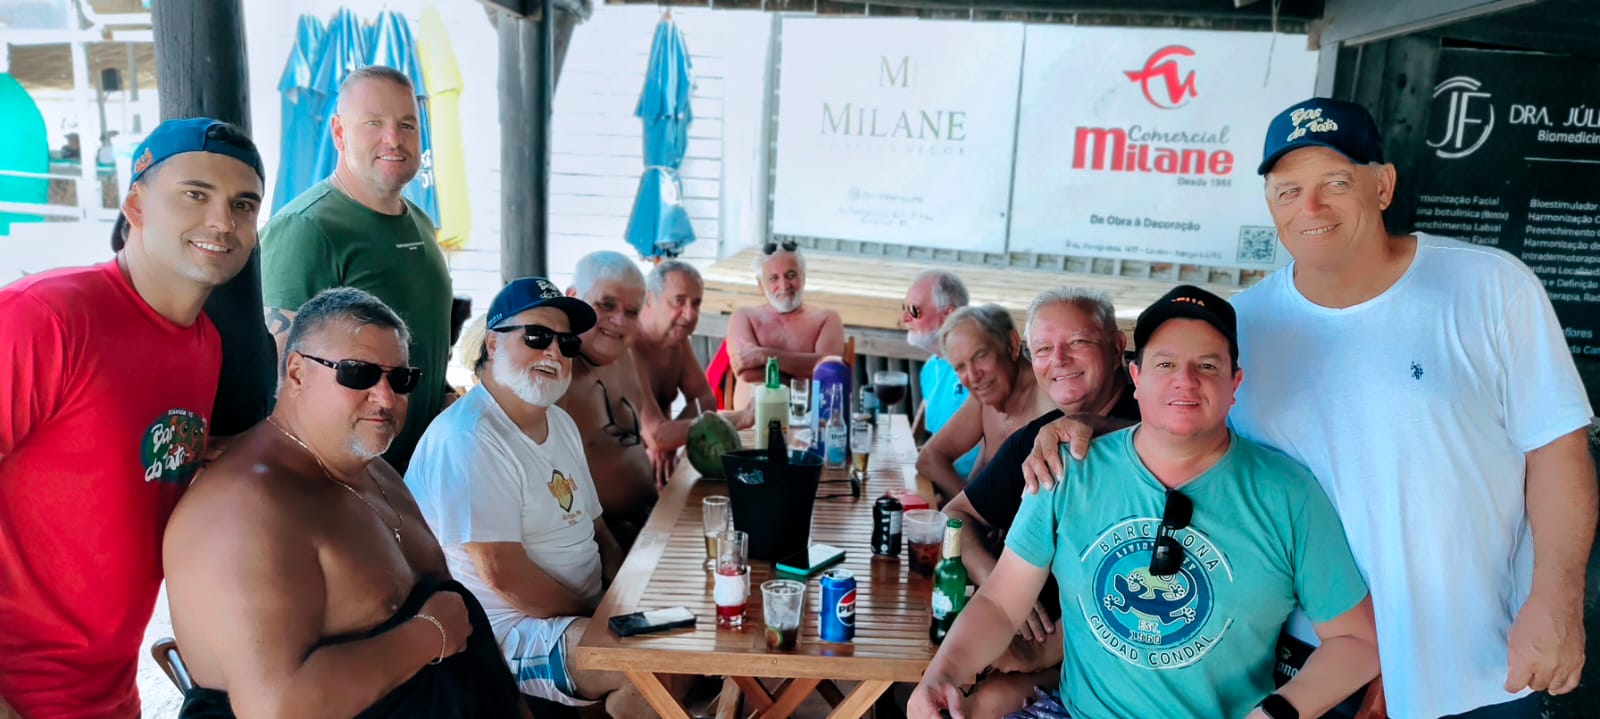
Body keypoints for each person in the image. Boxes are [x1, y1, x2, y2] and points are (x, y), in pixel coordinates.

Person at [1023, 98, 1599, 719]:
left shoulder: (1490, 288)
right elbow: (1187, 437)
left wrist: (1557, 599)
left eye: (1336, 183)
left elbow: (1558, 449)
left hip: (1477, 664)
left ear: (1383, 185)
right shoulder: (1243, 326)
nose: (1311, 207)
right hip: (1315, 670)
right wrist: (1081, 428)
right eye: (1288, 190)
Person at [910, 285, 1380, 719]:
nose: (1185, 381)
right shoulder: (1066, 469)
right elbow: (1000, 604)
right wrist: (941, 675)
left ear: (1235, 384)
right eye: (1165, 364)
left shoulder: (1288, 495)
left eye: (1208, 366)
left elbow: (1357, 640)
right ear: (1136, 376)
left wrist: (1274, 715)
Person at [0, 118, 263, 719]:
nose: (222, 221)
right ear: (137, 205)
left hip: (111, 693)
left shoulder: (205, 345)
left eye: (242, 204)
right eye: (195, 194)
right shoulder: (46, 317)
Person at [162, 288, 527, 718]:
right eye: (358, 374)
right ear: (297, 372)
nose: (385, 397)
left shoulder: (373, 471)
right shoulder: (246, 510)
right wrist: (427, 636)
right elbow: (275, 709)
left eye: (400, 379)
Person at [406, 276, 676, 716]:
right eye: (536, 336)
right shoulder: (470, 437)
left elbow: (597, 530)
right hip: (506, 634)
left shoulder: (560, 423)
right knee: (638, 666)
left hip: (578, 618)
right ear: (493, 343)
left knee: (686, 637)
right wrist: (600, 613)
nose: (553, 351)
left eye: (566, 343)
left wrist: (627, 595)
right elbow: (505, 577)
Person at [939, 288, 1140, 717]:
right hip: (1036, 645)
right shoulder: (1039, 439)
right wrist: (1000, 586)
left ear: (1117, 347)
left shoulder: (1159, 428)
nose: (1059, 360)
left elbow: (1167, 438)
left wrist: (1045, 650)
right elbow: (954, 515)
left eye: (1077, 342)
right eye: (1044, 349)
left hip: (1117, 660)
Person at [261, 64, 452, 472]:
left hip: (413, 478)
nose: (393, 139)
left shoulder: (420, 222)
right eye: (373, 123)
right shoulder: (306, 228)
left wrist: (444, 394)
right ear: (339, 132)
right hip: (339, 480)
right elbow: (276, 380)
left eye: (407, 125)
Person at [555, 252, 665, 547]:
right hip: (601, 541)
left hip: (651, 520)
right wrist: (606, 548)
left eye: (632, 312)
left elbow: (650, 435)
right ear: (573, 298)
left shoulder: (627, 356)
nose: (618, 321)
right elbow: (553, 486)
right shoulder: (554, 375)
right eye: (606, 305)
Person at [915, 304, 1054, 500]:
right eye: (960, 367)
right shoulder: (986, 399)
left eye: (980, 356)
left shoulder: (1053, 407)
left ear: (1012, 345)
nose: (973, 376)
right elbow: (929, 458)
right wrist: (969, 507)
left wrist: (973, 509)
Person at [633, 259, 753, 485]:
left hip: (660, 472)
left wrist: (670, 439)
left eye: (696, 304)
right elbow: (655, 435)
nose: (689, 315)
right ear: (648, 299)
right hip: (617, 481)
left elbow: (705, 399)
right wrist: (737, 418)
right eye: (679, 302)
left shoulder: (677, 340)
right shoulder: (628, 346)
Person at [725, 241, 844, 409]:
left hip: (808, 421)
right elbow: (746, 372)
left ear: (803, 277)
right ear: (761, 285)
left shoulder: (827, 318)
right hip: (752, 421)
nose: (784, 285)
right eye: (774, 278)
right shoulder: (743, 317)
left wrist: (763, 356)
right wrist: (802, 376)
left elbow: (828, 370)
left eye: (791, 275)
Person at [902, 270, 975, 471]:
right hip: (937, 481)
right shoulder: (931, 369)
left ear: (949, 315)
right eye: (904, 308)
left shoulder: (981, 370)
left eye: (914, 310)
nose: (904, 318)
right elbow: (934, 444)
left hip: (973, 487)